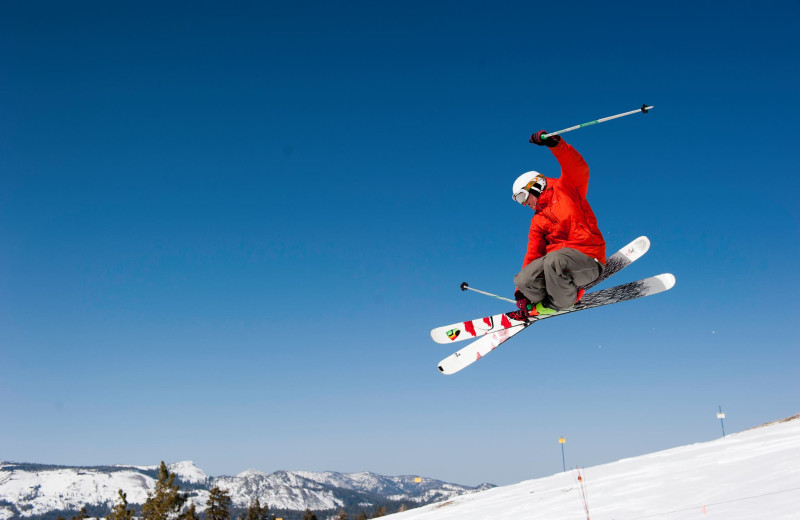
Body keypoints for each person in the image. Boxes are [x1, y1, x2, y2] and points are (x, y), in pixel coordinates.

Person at [511, 130, 606, 317]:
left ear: (535, 185)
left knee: (555, 260)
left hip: (588, 258)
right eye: (518, 201)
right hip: (557, 268)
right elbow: (533, 254)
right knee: (523, 279)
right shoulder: (537, 220)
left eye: (523, 197)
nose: (524, 204)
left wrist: (556, 144)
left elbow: (577, 168)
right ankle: (546, 300)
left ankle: (564, 300)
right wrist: (521, 293)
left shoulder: (567, 189)